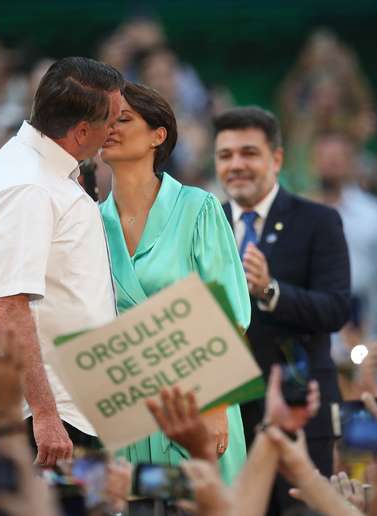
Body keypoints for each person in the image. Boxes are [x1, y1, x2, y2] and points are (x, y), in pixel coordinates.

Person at [0, 57, 124, 466]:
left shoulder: (45, 172)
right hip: (39, 419)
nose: (116, 130)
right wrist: (46, 415)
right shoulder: (25, 186)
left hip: (65, 407)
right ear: (82, 131)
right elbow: (9, 307)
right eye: (114, 121)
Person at [98, 82, 250, 486]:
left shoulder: (198, 207)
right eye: (104, 120)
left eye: (123, 119)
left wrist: (218, 409)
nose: (109, 127)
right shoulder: (88, 221)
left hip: (200, 402)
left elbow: (229, 316)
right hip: (125, 408)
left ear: (157, 135)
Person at [213, 106, 351, 514]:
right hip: (231, 417)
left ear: (276, 159)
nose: (236, 165)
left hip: (301, 407)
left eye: (248, 153)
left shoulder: (318, 221)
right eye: (225, 155)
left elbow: (336, 308)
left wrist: (270, 290)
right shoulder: (208, 224)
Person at [310, 132, 377, 339]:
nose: (331, 163)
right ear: (313, 163)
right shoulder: (299, 214)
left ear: (351, 163)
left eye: (338, 158)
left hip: (370, 326)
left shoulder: (375, 214)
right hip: (316, 327)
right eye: (325, 157)